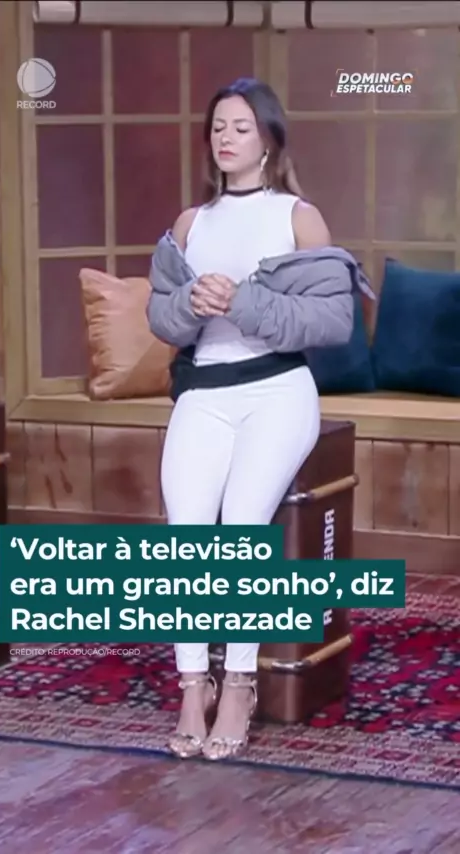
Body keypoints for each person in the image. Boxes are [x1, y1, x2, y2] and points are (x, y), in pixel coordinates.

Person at [146, 77, 371, 762]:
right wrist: (190, 304)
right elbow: (161, 316)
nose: (226, 137)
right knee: (187, 535)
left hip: (277, 391)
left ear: (269, 139)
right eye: (218, 126)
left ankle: (239, 683)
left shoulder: (298, 217)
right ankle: (195, 686)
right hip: (205, 392)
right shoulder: (191, 224)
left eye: (241, 127)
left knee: (242, 526)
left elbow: (332, 321)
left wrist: (243, 303)